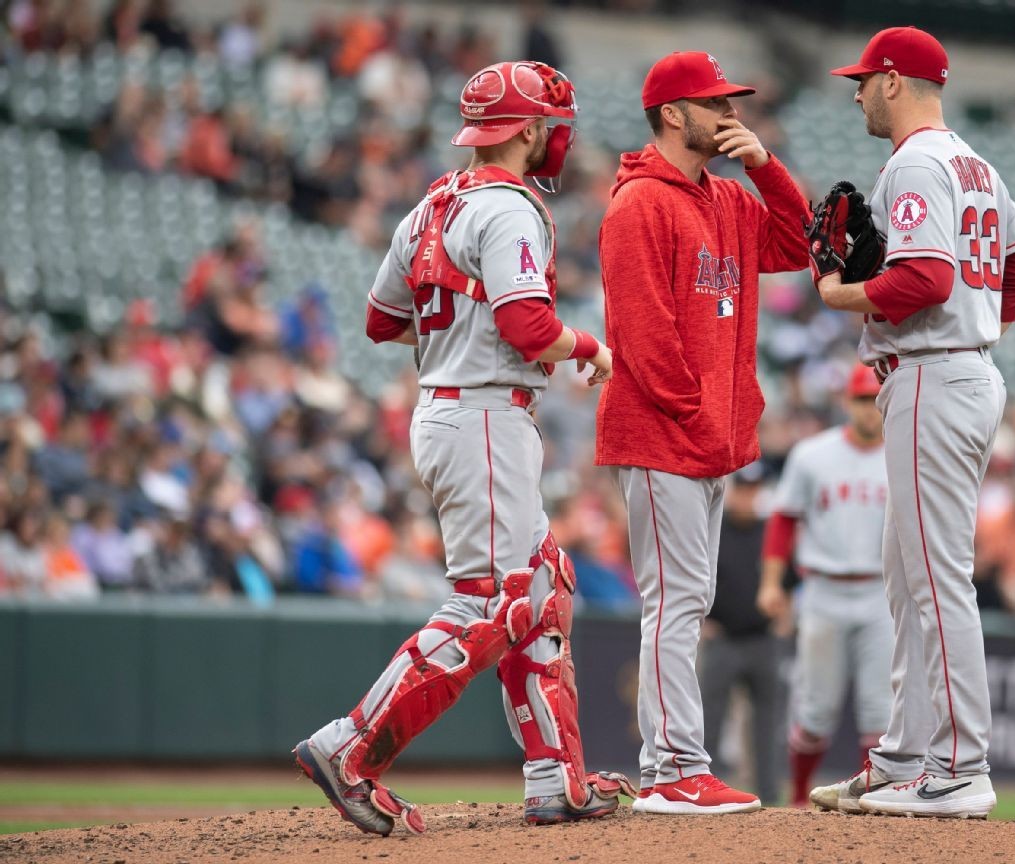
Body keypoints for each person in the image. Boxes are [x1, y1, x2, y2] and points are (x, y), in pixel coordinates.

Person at [294, 60, 632, 835]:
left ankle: (557, 778)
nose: (556, 134)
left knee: (542, 586)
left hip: (454, 408)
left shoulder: (429, 206)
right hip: (482, 415)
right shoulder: (509, 207)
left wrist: (454, 330)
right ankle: (350, 750)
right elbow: (530, 330)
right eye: (547, 121)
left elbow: (383, 320)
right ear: (523, 130)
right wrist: (589, 345)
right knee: (496, 602)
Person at [811, 27, 1015, 819]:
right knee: (909, 581)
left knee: (935, 581)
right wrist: (985, 330)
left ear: (896, 81)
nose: (857, 93)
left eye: (866, 80)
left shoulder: (914, 161)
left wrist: (841, 295)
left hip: (935, 376)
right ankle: (906, 753)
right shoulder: (977, 163)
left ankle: (959, 765)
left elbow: (927, 278)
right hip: (958, 373)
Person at [596, 50, 810, 815]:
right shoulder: (637, 206)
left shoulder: (728, 198)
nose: (730, 115)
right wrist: (697, 418)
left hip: (709, 442)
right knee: (676, 604)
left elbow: (803, 244)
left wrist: (767, 170)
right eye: (714, 103)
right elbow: (647, 342)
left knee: (689, 597)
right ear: (671, 114)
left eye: (733, 102)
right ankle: (671, 768)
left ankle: (677, 765)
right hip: (663, 438)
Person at [756, 365, 893, 809]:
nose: (869, 409)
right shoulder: (814, 454)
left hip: (880, 593)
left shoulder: (904, 455)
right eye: (860, 399)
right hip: (823, 589)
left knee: (879, 712)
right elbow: (783, 520)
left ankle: (870, 798)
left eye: (875, 398)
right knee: (814, 707)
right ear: (846, 402)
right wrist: (773, 582)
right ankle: (799, 799)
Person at [700, 461, 788, 806]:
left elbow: (790, 578)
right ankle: (708, 789)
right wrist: (703, 620)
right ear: (733, 492)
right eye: (744, 491)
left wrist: (785, 616)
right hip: (722, 638)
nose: (748, 498)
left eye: (755, 491)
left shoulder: (769, 533)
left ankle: (770, 797)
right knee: (709, 722)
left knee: (768, 724)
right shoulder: (715, 528)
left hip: (763, 639)